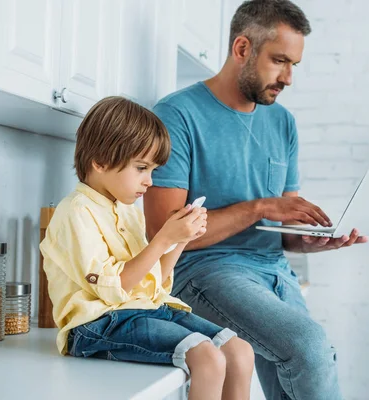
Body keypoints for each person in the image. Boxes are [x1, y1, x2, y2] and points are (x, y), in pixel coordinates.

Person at [144, 1, 368, 399]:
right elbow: (164, 236)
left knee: (303, 369)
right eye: (279, 60)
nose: (288, 78)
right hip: (204, 272)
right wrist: (260, 207)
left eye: (294, 64)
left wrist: (310, 240)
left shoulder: (282, 122)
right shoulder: (176, 115)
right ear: (243, 48)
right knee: (310, 349)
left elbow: (283, 230)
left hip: (275, 271)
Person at [40, 96, 255, 400]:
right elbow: (114, 289)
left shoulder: (126, 209)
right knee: (206, 357)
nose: (149, 181)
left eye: (152, 170)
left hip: (147, 310)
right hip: (96, 325)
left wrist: (181, 239)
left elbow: (154, 280)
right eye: (141, 168)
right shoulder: (75, 212)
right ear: (100, 161)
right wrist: (163, 239)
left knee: (240, 351)